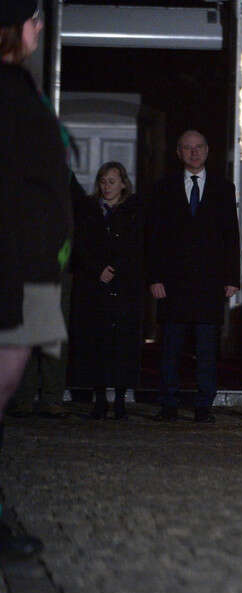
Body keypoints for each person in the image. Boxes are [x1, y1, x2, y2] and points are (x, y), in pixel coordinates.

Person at [0, 0, 72, 559]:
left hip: (27, 267)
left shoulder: (23, 93)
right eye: (34, 20)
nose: (40, 28)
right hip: (17, 270)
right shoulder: (15, 98)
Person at [146, 130, 240, 423]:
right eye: (187, 148)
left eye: (198, 147)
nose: (193, 153)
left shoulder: (223, 189)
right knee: (171, 347)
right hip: (172, 283)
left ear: (208, 150)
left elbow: (230, 237)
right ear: (178, 152)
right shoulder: (163, 188)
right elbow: (153, 236)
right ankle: (168, 403)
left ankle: (203, 405)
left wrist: (232, 278)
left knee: (206, 349)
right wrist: (155, 277)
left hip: (210, 283)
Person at [69, 162, 144, 420]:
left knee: (123, 343)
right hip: (95, 285)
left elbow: (138, 246)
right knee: (97, 341)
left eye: (112, 181)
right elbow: (80, 244)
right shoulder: (89, 210)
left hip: (125, 286)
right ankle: (99, 398)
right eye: (103, 181)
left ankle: (121, 399)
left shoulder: (134, 210)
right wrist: (97, 268)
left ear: (123, 183)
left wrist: (118, 268)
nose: (107, 186)